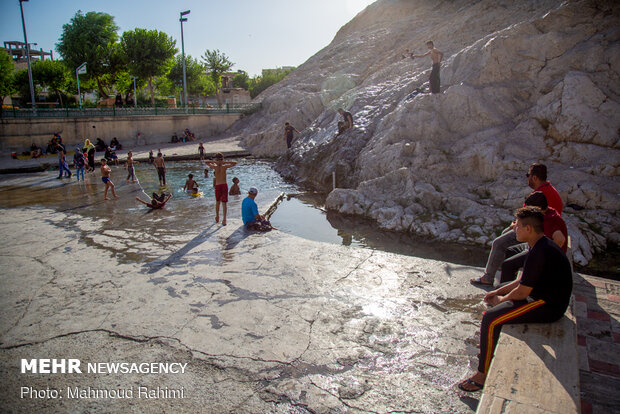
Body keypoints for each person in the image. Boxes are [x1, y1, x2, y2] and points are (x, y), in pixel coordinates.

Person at [458, 206, 572, 392]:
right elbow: (521, 280)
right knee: (497, 308)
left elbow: (522, 292)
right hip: (540, 296)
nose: (514, 229)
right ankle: (488, 344)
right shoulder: (540, 244)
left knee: (491, 318)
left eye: (517, 226)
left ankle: (481, 375)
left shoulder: (539, 251)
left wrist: (500, 300)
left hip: (548, 305)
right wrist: (498, 291)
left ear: (528, 229)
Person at [471, 163, 563, 287]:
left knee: (498, 243)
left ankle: (489, 277)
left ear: (534, 177)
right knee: (505, 238)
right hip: (537, 232)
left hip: (536, 234)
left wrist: (515, 226)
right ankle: (503, 278)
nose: (528, 179)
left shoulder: (539, 196)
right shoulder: (551, 191)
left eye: (528, 175)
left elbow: (527, 217)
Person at [499, 192, 567, 284]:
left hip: (542, 253)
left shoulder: (550, 219)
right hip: (534, 246)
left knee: (508, 265)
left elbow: (560, 239)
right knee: (510, 250)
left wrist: (546, 258)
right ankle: (510, 283)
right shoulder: (546, 213)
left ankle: (507, 294)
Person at [205, 153, 237, 226]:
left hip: (222, 185)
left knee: (223, 202)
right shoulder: (215, 167)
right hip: (219, 186)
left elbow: (235, 163)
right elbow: (206, 162)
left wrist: (223, 162)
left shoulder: (224, 167)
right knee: (218, 202)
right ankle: (218, 216)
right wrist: (217, 162)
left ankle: (224, 219)